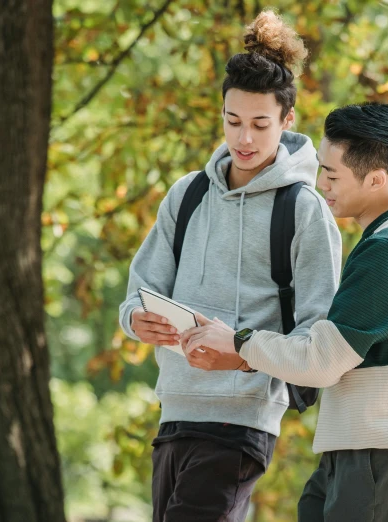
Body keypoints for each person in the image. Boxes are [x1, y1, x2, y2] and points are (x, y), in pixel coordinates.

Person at [117, 11, 342, 522]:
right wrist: (136, 319)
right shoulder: (188, 194)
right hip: (175, 410)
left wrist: (241, 357)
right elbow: (139, 291)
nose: (243, 137)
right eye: (232, 120)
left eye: (260, 124)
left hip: (242, 420)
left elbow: (317, 335)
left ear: (287, 122)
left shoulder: (303, 211)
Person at [181, 102, 388, 522]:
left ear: (376, 178)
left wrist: (239, 344)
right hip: (358, 447)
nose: (320, 182)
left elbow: (322, 361)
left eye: (332, 174)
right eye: (320, 167)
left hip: (385, 454)